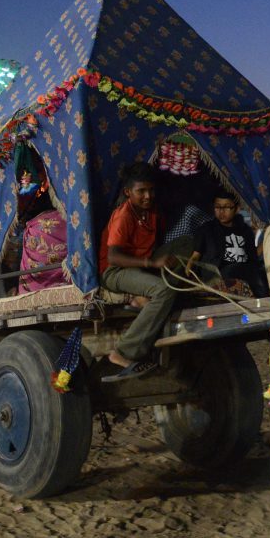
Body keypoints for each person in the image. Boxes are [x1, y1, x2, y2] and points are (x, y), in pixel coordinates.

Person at [98, 162, 190, 379]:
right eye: (141, 191)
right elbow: (113, 257)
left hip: (141, 265)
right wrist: (152, 264)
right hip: (114, 271)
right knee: (163, 290)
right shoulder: (124, 215)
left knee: (187, 242)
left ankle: (143, 297)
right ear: (128, 192)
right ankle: (123, 352)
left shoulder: (153, 212)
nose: (148, 196)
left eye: (150, 190)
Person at [189, 190, 270, 297]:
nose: (221, 212)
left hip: (246, 268)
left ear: (237, 209)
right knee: (248, 271)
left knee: (261, 270)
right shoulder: (206, 229)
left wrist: (268, 239)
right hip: (220, 271)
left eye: (227, 207)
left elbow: (253, 255)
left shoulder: (245, 230)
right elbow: (195, 255)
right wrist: (190, 269)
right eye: (218, 207)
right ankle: (263, 301)